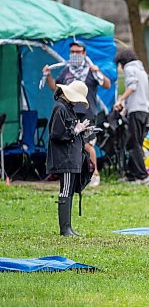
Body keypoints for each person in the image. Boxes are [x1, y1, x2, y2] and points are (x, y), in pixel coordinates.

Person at [43, 41, 111, 187]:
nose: (75, 54)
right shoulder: (67, 70)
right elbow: (56, 87)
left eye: (78, 52)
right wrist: (48, 76)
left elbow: (107, 84)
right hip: (71, 113)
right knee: (73, 142)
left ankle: (95, 173)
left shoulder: (91, 70)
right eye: (72, 52)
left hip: (88, 113)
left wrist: (98, 71)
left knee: (87, 144)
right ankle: (78, 173)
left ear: (84, 53)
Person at [46, 80, 92, 236]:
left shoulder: (67, 108)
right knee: (65, 190)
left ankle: (68, 227)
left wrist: (81, 131)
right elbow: (57, 134)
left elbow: (69, 130)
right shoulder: (60, 108)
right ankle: (64, 229)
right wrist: (75, 131)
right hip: (64, 158)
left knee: (70, 190)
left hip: (71, 157)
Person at [113, 49, 149, 185]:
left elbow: (132, 87)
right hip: (144, 110)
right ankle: (132, 175)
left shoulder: (130, 69)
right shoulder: (141, 70)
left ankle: (143, 176)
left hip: (136, 111)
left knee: (133, 144)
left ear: (122, 62)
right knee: (135, 143)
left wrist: (120, 100)